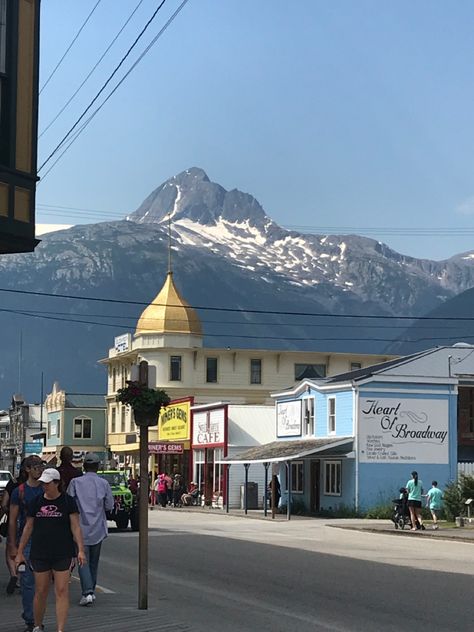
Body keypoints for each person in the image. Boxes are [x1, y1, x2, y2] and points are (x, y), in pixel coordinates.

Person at [15, 468, 86, 632]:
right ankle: (38, 625)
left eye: (47, 483)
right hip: (40, 552)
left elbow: (75, 527)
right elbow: (28, 527)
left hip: (63, 552)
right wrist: (20, 551)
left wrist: (81, 549)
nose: (44, 486)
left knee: (61, 590)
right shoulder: (37, 502)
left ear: (56, 483)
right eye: (43, 483)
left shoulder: (68, 502)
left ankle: (60, 629)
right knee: (40, 591)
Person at [67, 452, 114, 606]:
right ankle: (90, 591)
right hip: (98, 529)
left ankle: (87, 592)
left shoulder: (75, 482)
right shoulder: (104, 484)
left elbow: (69, 503)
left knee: (82, 561)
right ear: (98, 466)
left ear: (84, 466)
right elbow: (109, 505)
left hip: (80, 529)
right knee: (94, 562)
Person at [8, 455, 45, 632]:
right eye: (35, 466)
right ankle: (31, 620)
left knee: (42, 584)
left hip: (46, 540)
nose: (39, 469)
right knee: (28, 583)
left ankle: (37, 618)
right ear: (27, 470)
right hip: (27, 541)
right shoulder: (19, 491)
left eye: (41, 465)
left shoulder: (48, 488)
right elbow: (13, 520)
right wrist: (13, 546)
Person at [1, 458, 27, 595]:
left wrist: (6, 512)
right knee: (25, 550)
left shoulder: (13, 483)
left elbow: (4, 504)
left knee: (10, 549)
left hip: (13, 520)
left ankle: (13, 574)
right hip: (29, 523)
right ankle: (23, 578)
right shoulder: (36, 485)